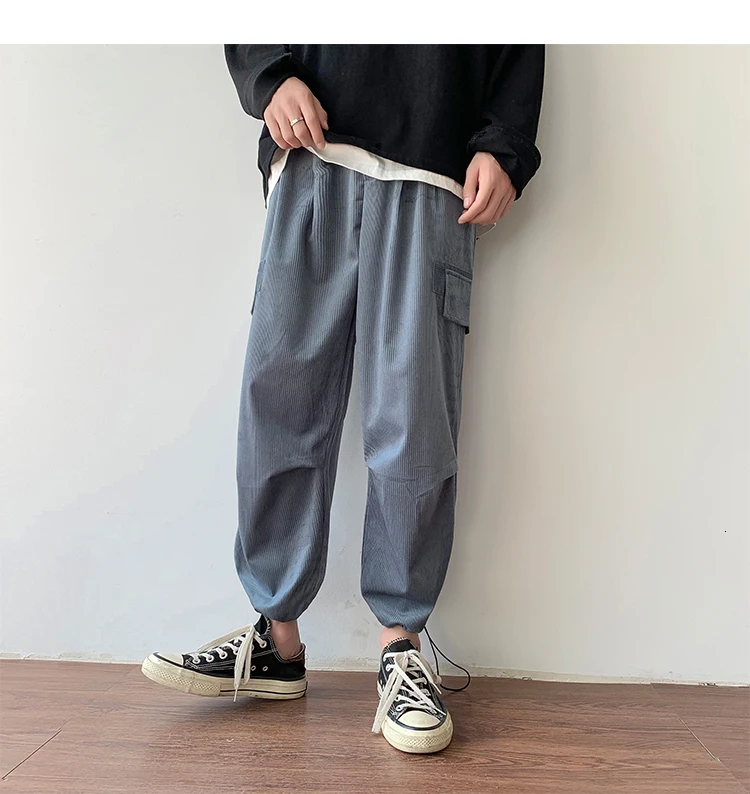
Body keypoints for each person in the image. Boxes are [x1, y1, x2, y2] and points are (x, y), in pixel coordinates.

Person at [142, 44, 545, 754]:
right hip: (311, 150)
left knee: (414, 419)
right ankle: (277, 641)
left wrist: (504, 144)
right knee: (279, 404)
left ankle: (401, 645)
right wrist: (270, 76)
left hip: (432, 163)